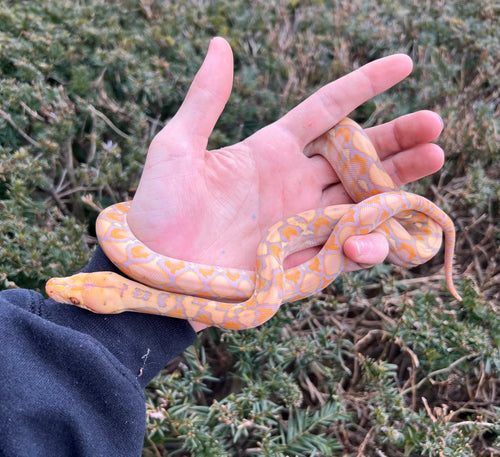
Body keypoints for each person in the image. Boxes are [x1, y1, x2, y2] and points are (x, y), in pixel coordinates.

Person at [0, 37, 445, 455]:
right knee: (350, 234)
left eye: (76, 293)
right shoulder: (246, 301)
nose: (61, 290)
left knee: (373, 231)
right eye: (75, 295)